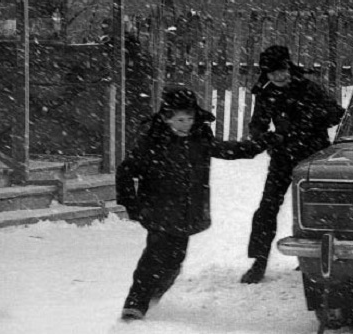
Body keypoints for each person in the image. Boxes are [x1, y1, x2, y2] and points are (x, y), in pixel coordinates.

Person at [116, 86, 279, 321]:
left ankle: (155, 293)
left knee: (175, 259)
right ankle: (136, 301)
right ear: (166, 117)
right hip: (158, 208)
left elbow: (228, 150)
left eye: (190, 118)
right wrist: (131, 205)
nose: (186, 124)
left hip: (186, 210)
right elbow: (125, 171)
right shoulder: (152, 142)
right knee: (153, 256)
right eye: (180, 119)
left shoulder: (199, 139)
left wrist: (261, 143)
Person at [240, 45, 345, 284]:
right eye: (273, 73)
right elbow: (257, 126)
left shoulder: (308, 88)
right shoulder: (266, 93)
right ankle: (259, 261)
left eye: (282, 70)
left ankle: (313, 256)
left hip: (312, 157)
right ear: (265, 74)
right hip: (283, 156)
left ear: (289, 66)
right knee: (267, 207)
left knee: (315, 209)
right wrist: (268, 139)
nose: (279, 76)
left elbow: (337, 114)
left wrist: (312, 115)